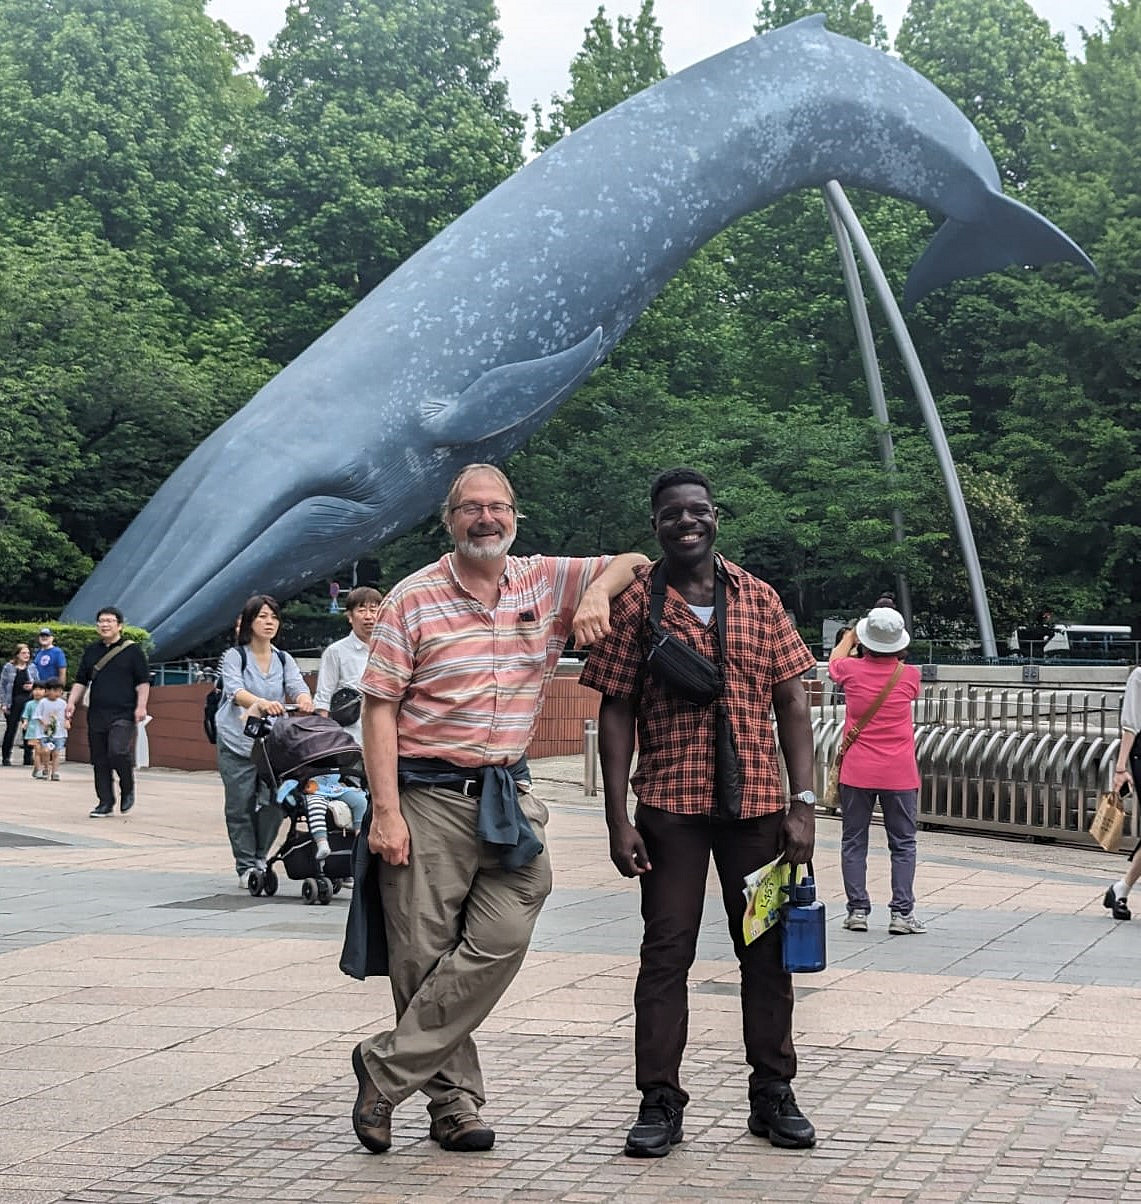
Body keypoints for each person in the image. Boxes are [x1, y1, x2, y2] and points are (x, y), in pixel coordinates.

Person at [349, 462, 648, 1156]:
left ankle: (385, 1066)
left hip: (504, 796)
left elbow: (637, 560)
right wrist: (385, 813)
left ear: (515, 515)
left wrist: (597, 592)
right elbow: (378, 707)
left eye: (497, 507)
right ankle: (453, 1106)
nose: (485, 518)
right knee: (422, 958)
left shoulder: (541, 579)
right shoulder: (412, 597)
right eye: (470, 509)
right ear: (449, 520)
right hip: (424, 794)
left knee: (508, 924)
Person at [580, 466, 818, 1158]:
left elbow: (793, 702)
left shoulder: (759, 598)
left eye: (696, 512)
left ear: (716, 517)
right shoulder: (634, 606)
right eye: (670, 515)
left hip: (757, 812)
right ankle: (659, 1101)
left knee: (765, 954)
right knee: (665, 954)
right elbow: (615, 707)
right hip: (669, 808)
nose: (685, 523)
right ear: (654, 526)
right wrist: (617, 817)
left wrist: (802, 805)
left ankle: (772, 1094)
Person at [829, 607, 924, 935]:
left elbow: (833, 663)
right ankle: (901, 913)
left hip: (857, 771)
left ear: (866, 640)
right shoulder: (910, 675)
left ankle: (857, 910)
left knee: (854, 841)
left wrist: (849, 637)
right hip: (899, 772)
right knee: (903, 843)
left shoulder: (850, 671)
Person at [214, 594, 313, 888]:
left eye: (273, 617)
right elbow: (235, 691)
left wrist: (305, 699)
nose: (269, 622)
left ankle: (260, 856)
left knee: (278, 800)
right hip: (236, 742)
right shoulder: (236, 656)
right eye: (262, 617)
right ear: (248, 622)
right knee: (240, 804)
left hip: (271, 743)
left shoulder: (283, 658)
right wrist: (261, 702)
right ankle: (245, 864)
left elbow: (297, 686)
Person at [65, 608, 150, 816]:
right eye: (101, 621)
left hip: (124, 711)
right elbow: (81, 681)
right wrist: (71, 702)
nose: (104, 625)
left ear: (119, 625)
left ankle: (127, 786)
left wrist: (141, 706)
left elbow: (143, 682)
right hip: (96, 712)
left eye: (109, 621)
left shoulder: (133, 651)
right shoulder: (91, 651)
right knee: (100, 758)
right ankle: (105, 801)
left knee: (118, 751)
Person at [313, 585, 383, 745]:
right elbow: (323, 698)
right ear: (350, 616)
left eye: (373, 610)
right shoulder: (336, 651)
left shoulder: (389, 649)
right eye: (361, 610)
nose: (368, 616)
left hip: (383, 739)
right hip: (348, 740)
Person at [1102, 659, 1141, 920]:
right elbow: (1131, 725)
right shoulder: (1139, 676)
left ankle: (1121, 888)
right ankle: (1121, 888)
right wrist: (1120, 767)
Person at [1, 643, 38, 766]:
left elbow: (38, 683)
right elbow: (3, 686)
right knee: (11, 729)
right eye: (23, 653)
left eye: (28, 653)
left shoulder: (32, 667)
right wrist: (3, 703)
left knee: (28, 729)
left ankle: (28, 757)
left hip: (28, 702)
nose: (27, 655)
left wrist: (32, 686)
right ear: (17, 654)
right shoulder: (9, 667)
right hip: (13, 701)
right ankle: (6, 756)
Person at [34, 679, 69, 782]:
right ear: (48, 691)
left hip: (59, 732)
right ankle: (45, 768)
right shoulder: (43, 702)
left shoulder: (63, 703)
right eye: (55, 690)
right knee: (46, 751)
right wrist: (43, 722)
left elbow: (67, 715)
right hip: (45, 733)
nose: (58, 693)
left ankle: (55, 772)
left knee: (56, 753)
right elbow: (37, 715)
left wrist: (67, 721)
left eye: (60, 691)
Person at [19, 681, 47, 779]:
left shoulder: (47, 703)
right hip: (33, 730)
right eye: (35, 689)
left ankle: (37, 768)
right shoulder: (29, 704)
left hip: (44, 731)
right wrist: (25, 723)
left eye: (40, 689)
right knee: (37, 751)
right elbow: (26, 716)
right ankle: (39, 770)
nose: (37, 692)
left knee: (44, 751)